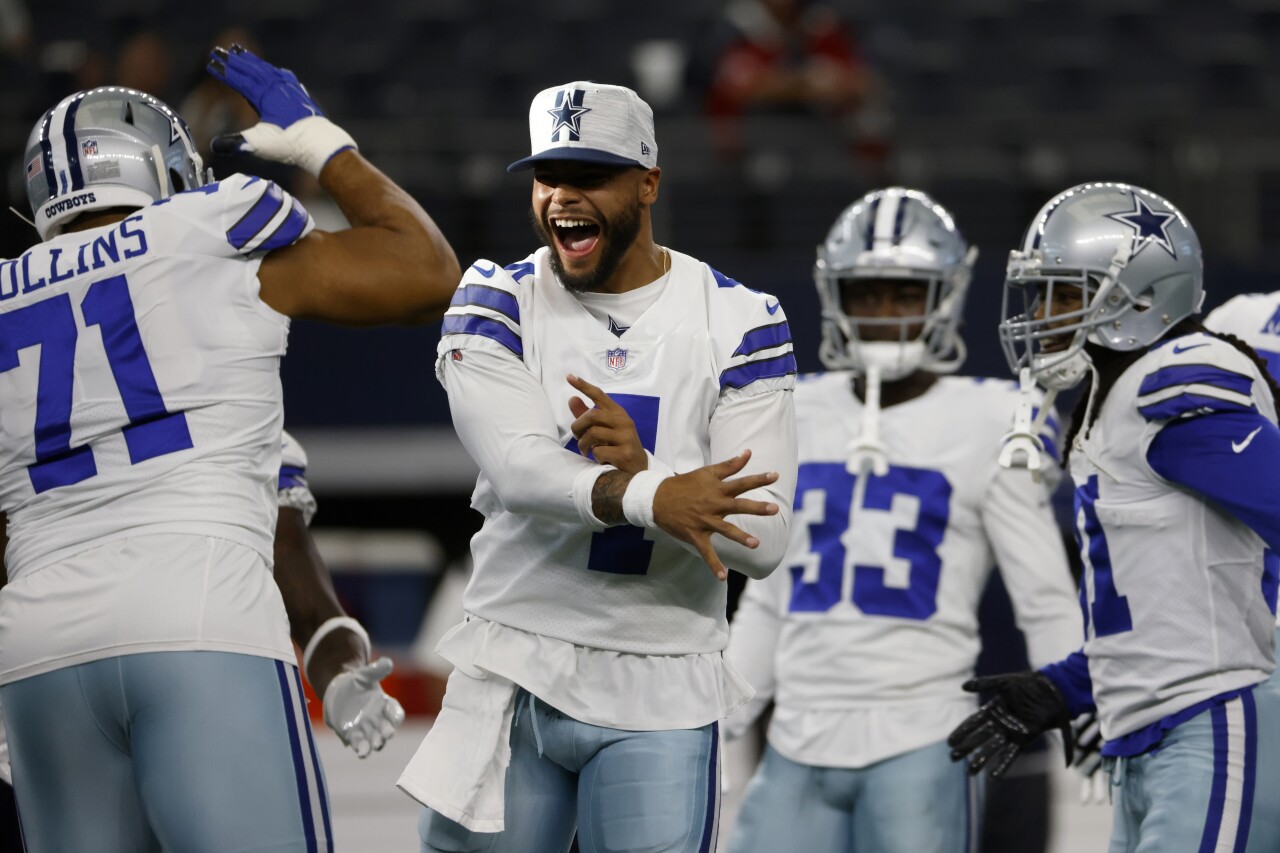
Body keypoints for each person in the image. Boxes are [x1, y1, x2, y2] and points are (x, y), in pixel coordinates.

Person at [0, 44, 459, 852]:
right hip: (197, 605)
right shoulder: (205, 233)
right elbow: (426, 271)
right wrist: (322, 143)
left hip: (37, 641)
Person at [397, 81, 799, 853]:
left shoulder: (741, 318)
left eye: (590, 175)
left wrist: (656, 465)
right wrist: (654, 490)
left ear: (648, 183)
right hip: (517, 660)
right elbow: (519, 470)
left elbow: (765, 542)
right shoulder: (497, 296)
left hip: (663, 672)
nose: (561, 198)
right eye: (548, 177)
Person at [720, 187, 1081, 853]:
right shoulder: (795, 409)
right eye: (867, 293)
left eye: (904, 293)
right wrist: (720, 718)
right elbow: (771, 600)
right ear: (837, 297)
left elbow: (1044, 598)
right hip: (798, 732)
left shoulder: (991, 417)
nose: (884, 313)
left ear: (943, 295)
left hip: (922, 734)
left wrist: (1077, 709)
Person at [949, 182, 1280, 852]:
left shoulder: (1179, 380)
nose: (1043, 314)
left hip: (1213, 724)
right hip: (1149, 737)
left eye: (1065, 294)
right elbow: (1166, 612)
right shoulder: (1115, 399)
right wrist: (1063, 685)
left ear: (1145, 295)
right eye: (1040, 293)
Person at [0, 428, 406, 850]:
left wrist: (341, 671)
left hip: (49, 687)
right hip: (191, 640)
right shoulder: (225, 402)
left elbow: (306, 598)